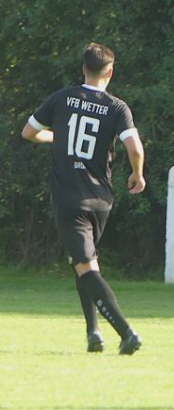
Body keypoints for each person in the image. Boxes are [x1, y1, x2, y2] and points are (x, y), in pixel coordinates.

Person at [21, 42, 145, 354]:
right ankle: (93, 333)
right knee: (84, 264)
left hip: (70, 198)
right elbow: (135, 148)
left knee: (85, 267)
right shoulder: (117, 107)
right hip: (101, 198)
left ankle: (126, 332)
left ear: (83, 69)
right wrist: (137, 174)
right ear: (111, 72)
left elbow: (28, 132)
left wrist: (56, 137)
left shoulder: (62, 98)